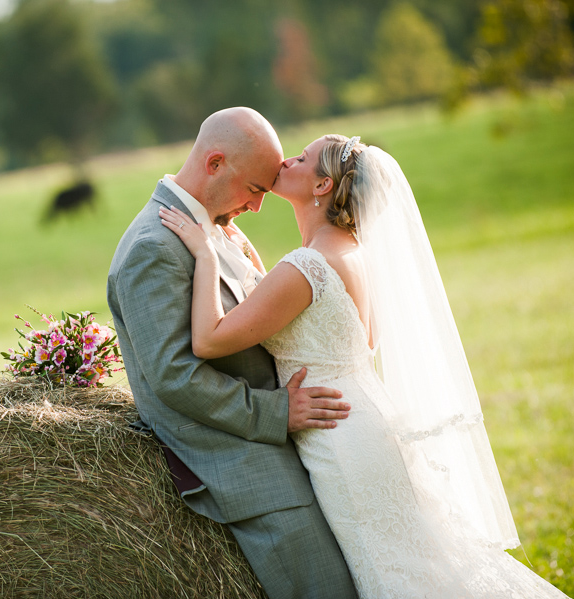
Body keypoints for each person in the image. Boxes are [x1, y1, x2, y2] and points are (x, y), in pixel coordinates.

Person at [159, 133, 570, 598]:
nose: (287, 160)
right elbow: (358, 336)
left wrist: (206, 254)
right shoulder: (348, 252)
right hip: (368, 419)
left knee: (396, 572)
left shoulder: (307, 265)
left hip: (339, 438)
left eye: (302, 158)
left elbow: (210, 339)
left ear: (322, 186)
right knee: (423, 561)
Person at [107, 108, 358, 599]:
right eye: (257, 190)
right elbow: (174, 376)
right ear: (215, 163)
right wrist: (277, 411)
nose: (259, 206)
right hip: (246, 469)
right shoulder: (152, 248)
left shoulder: (213, 227)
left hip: (289, 451)